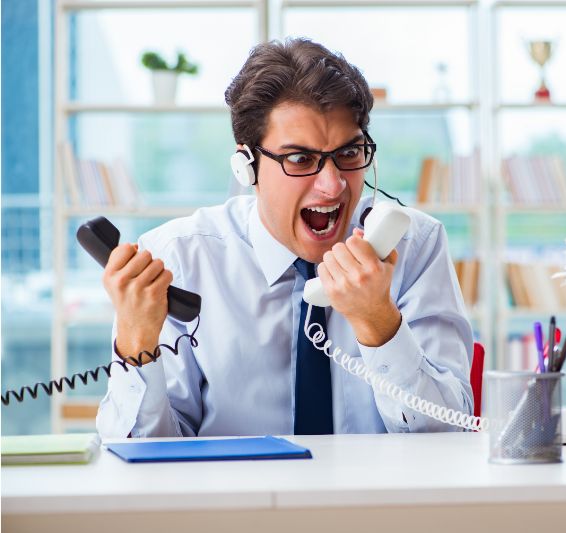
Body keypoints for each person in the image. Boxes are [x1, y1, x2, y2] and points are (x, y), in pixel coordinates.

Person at [96, 38, 473, 438]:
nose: (333, 186)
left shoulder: (415, 246)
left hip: (377, 500)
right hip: (234, 498)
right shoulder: (180, 258)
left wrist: (379, 323)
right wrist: (137, 346)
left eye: (348, 154)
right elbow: (146, 460)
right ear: (247, 166)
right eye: (300, 159)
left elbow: (449, 439)